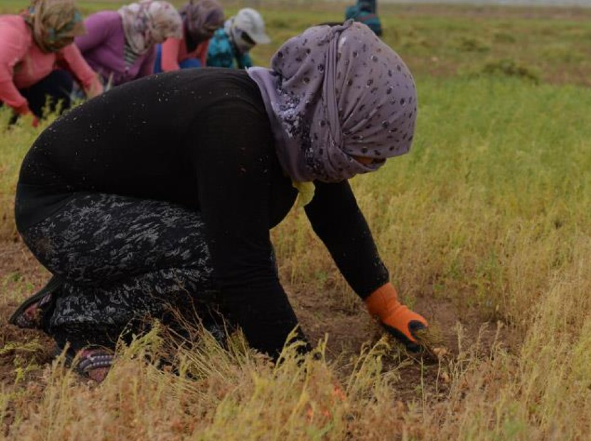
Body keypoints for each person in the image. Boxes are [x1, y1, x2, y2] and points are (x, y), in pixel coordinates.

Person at [11, 21, 428, 382]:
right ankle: (74, 317)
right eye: (364, 154)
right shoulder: (235, 129)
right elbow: (242, 264)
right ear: (334, 121)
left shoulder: (295, 120)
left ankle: (77, 291)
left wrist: (386, 305)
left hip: (112, 209)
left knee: (222, 320)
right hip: (60, 212)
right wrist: (300, 376)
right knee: (216, 259)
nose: (366, 167)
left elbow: (336, 213)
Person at [0, 0, 103, 123]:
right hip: (6, 96)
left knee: (59, 80)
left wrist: (101, 107)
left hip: (22, 92)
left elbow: (87, 77)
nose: (68, 41)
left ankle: (52, 125)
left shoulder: (59, 41)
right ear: (46, 26)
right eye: (64, 36)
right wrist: (26, 114)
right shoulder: (13, 33)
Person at [75, 1, 182, 88]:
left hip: (110, 95)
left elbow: (143, 83)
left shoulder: (147, 48)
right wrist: (89, 79)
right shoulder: (109, 22)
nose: (164, 40)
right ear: (154, 25)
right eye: (164, 35)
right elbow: (72, 49)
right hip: (81, 86)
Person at [154, 0, 223, 73]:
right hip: (160, 70)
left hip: (179, 70)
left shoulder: (205, 35)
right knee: (158, 53)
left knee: (194, 64)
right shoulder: (176, 27)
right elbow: (168, 65)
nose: (211, 35)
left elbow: (202, 63)